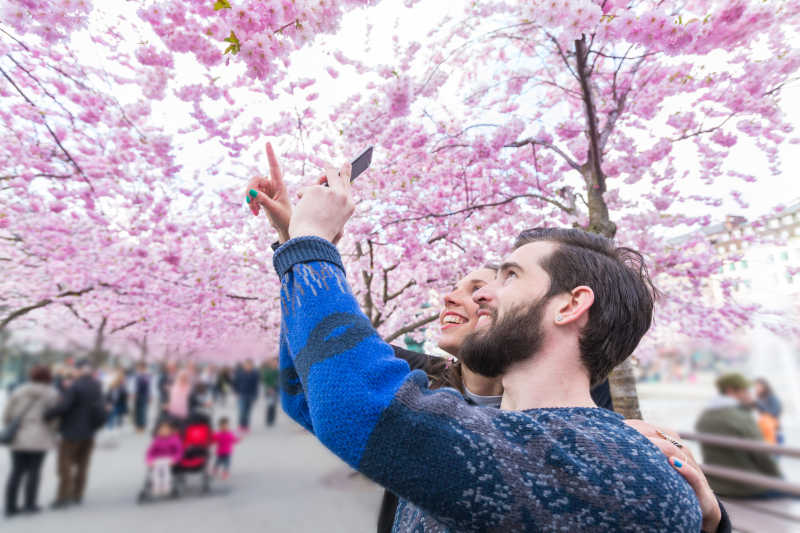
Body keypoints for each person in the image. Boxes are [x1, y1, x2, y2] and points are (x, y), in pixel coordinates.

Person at [252, 145, 727, 532]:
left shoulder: (609, 464)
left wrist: (311, 242)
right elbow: (306, 394)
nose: (482, 297)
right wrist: (294, 243)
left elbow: (355, 403)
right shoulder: (509, 437)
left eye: (510, 276)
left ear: (570, 305)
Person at [696, 373, 783, 498]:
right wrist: (779, 479)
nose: (750, 395)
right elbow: (762, 455)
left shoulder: (705, 416)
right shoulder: (740, 416)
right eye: (746, 391)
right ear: (731, 391)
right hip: (747, 488)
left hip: (717, 485)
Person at [44, 359, 106, 508]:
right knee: (83, 465)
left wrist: (47, 414)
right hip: (89, 432)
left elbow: (64, 407)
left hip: (71, 432)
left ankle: (63, 496)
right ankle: (78, 494)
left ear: (78, 370)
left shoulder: (75, 386)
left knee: (64, 465)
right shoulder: (96, 385)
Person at [3, 366, 59, 517]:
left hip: (19, 435)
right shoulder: (52, 393)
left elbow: (7, 413)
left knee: (16, 471)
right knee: (35, 471)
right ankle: (30, 504)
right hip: (41, 437)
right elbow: (54, 417)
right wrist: (52, 432)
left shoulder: (19, 390)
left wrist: (11, 425)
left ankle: (10, 506)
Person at [145, 420, 183, 496]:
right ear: (158, 431)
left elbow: (179, 452)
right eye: (161, 430)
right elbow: (150, 452)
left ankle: (166, 486)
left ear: (170, 431)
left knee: (166, 471)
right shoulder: (157, 440)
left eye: (166, 430)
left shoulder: (175, 439)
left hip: (170, 459)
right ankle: (156, 486)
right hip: (158, 459)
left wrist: (175, 460)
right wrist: (149, 461)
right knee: (155, 471)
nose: (164, 432)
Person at [752, 377, 782, 445]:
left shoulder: (772, 397)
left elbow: (774, 413)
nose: (756, 388)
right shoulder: (759, 398)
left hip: (774, 432)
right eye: (755, 386)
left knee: (773, 453)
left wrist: (758, 403)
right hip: (763, 432)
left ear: (765, 386)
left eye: (758, 386)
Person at [233, 360, 259, 432]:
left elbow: (256, 386)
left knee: (248, 411)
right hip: (241, 394)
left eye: (250, 365)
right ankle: (241, 425)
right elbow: (235, 383)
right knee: (242, 411)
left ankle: (246, 426)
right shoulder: (239, 374)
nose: (248, 366)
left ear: (252, 366)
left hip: (250, 395)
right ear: (244, 366)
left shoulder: (254, 374)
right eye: (247, 365)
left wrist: (255, 395)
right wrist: (236, 392)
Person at [261, 360, 280, 427]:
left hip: (276, 390)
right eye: (273, 362)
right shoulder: (268, 372)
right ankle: (268, 419)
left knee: (274, 406)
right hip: (269, 391)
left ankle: (272, 419)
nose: (275, 363)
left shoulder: (278, 371)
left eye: (276, 362)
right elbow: (265, 381)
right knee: (269, 405)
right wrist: (269, 388)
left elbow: (280, 381)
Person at [133, 363, 151, 433]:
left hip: (144, 396)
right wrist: (134, 394)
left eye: (141, 368)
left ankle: (142, 427)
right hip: (138, 395)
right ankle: (138, 426)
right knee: (137, 412)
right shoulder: (137, 376)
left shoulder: (147, 376)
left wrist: (149, 396)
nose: (140, 369)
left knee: (143, 412)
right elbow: (135, 387)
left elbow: (149, 388)